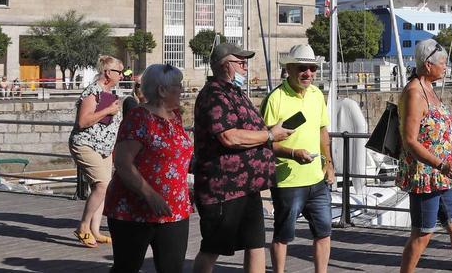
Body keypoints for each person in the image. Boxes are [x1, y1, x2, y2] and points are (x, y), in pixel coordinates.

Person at [192, 41, 293, 273]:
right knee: (212, 248)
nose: (245, 67)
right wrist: (269, 134)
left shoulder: (236, 93)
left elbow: (249, 131)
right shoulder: (213, 95)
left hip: (248, 186)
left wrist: (272, 133)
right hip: (223, 188)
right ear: (225, 65)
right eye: (241, 62)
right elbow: (229, 137)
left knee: (255, 245)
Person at [396, 39, 452, 273]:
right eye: (443, 63)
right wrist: (441, 164)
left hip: (444, 176)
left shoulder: (430, 89)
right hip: (426, 175)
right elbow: (410, 140)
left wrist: (449, 163)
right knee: (422, 233)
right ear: (428, 65)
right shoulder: (414, 93)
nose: (446, 67)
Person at [105, 63, 193, 273]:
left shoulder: (175, 117)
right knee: (127, 268)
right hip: (135, 209)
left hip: (175, 209)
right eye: (177, 86)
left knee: (172, 269)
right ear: (162, 90)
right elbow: (122, 163)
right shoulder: (138, 118)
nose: (182, 90)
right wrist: (150, 195)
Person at [262, 44, 334, 273]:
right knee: (283, 236)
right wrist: (293, 153)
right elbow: (265, 141)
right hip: (287, 181)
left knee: (324, 233)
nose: (309, 73)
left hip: (317, 179)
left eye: (312, 68)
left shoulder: (316, 94)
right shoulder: (275, 98)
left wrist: (329, 164)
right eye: (303, 68)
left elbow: (323, 131)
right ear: (289, 68)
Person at [69, 55, 125, 248]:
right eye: (120, 72)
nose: (123, 75)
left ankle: (94, 230)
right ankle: (83, 227)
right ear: (108, 73)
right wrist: (107, 111)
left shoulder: (110, 94)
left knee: (102, 188)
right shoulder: (92, 92)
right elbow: (83, 122)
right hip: (86, 144)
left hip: (104, 147)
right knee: (101, 185)